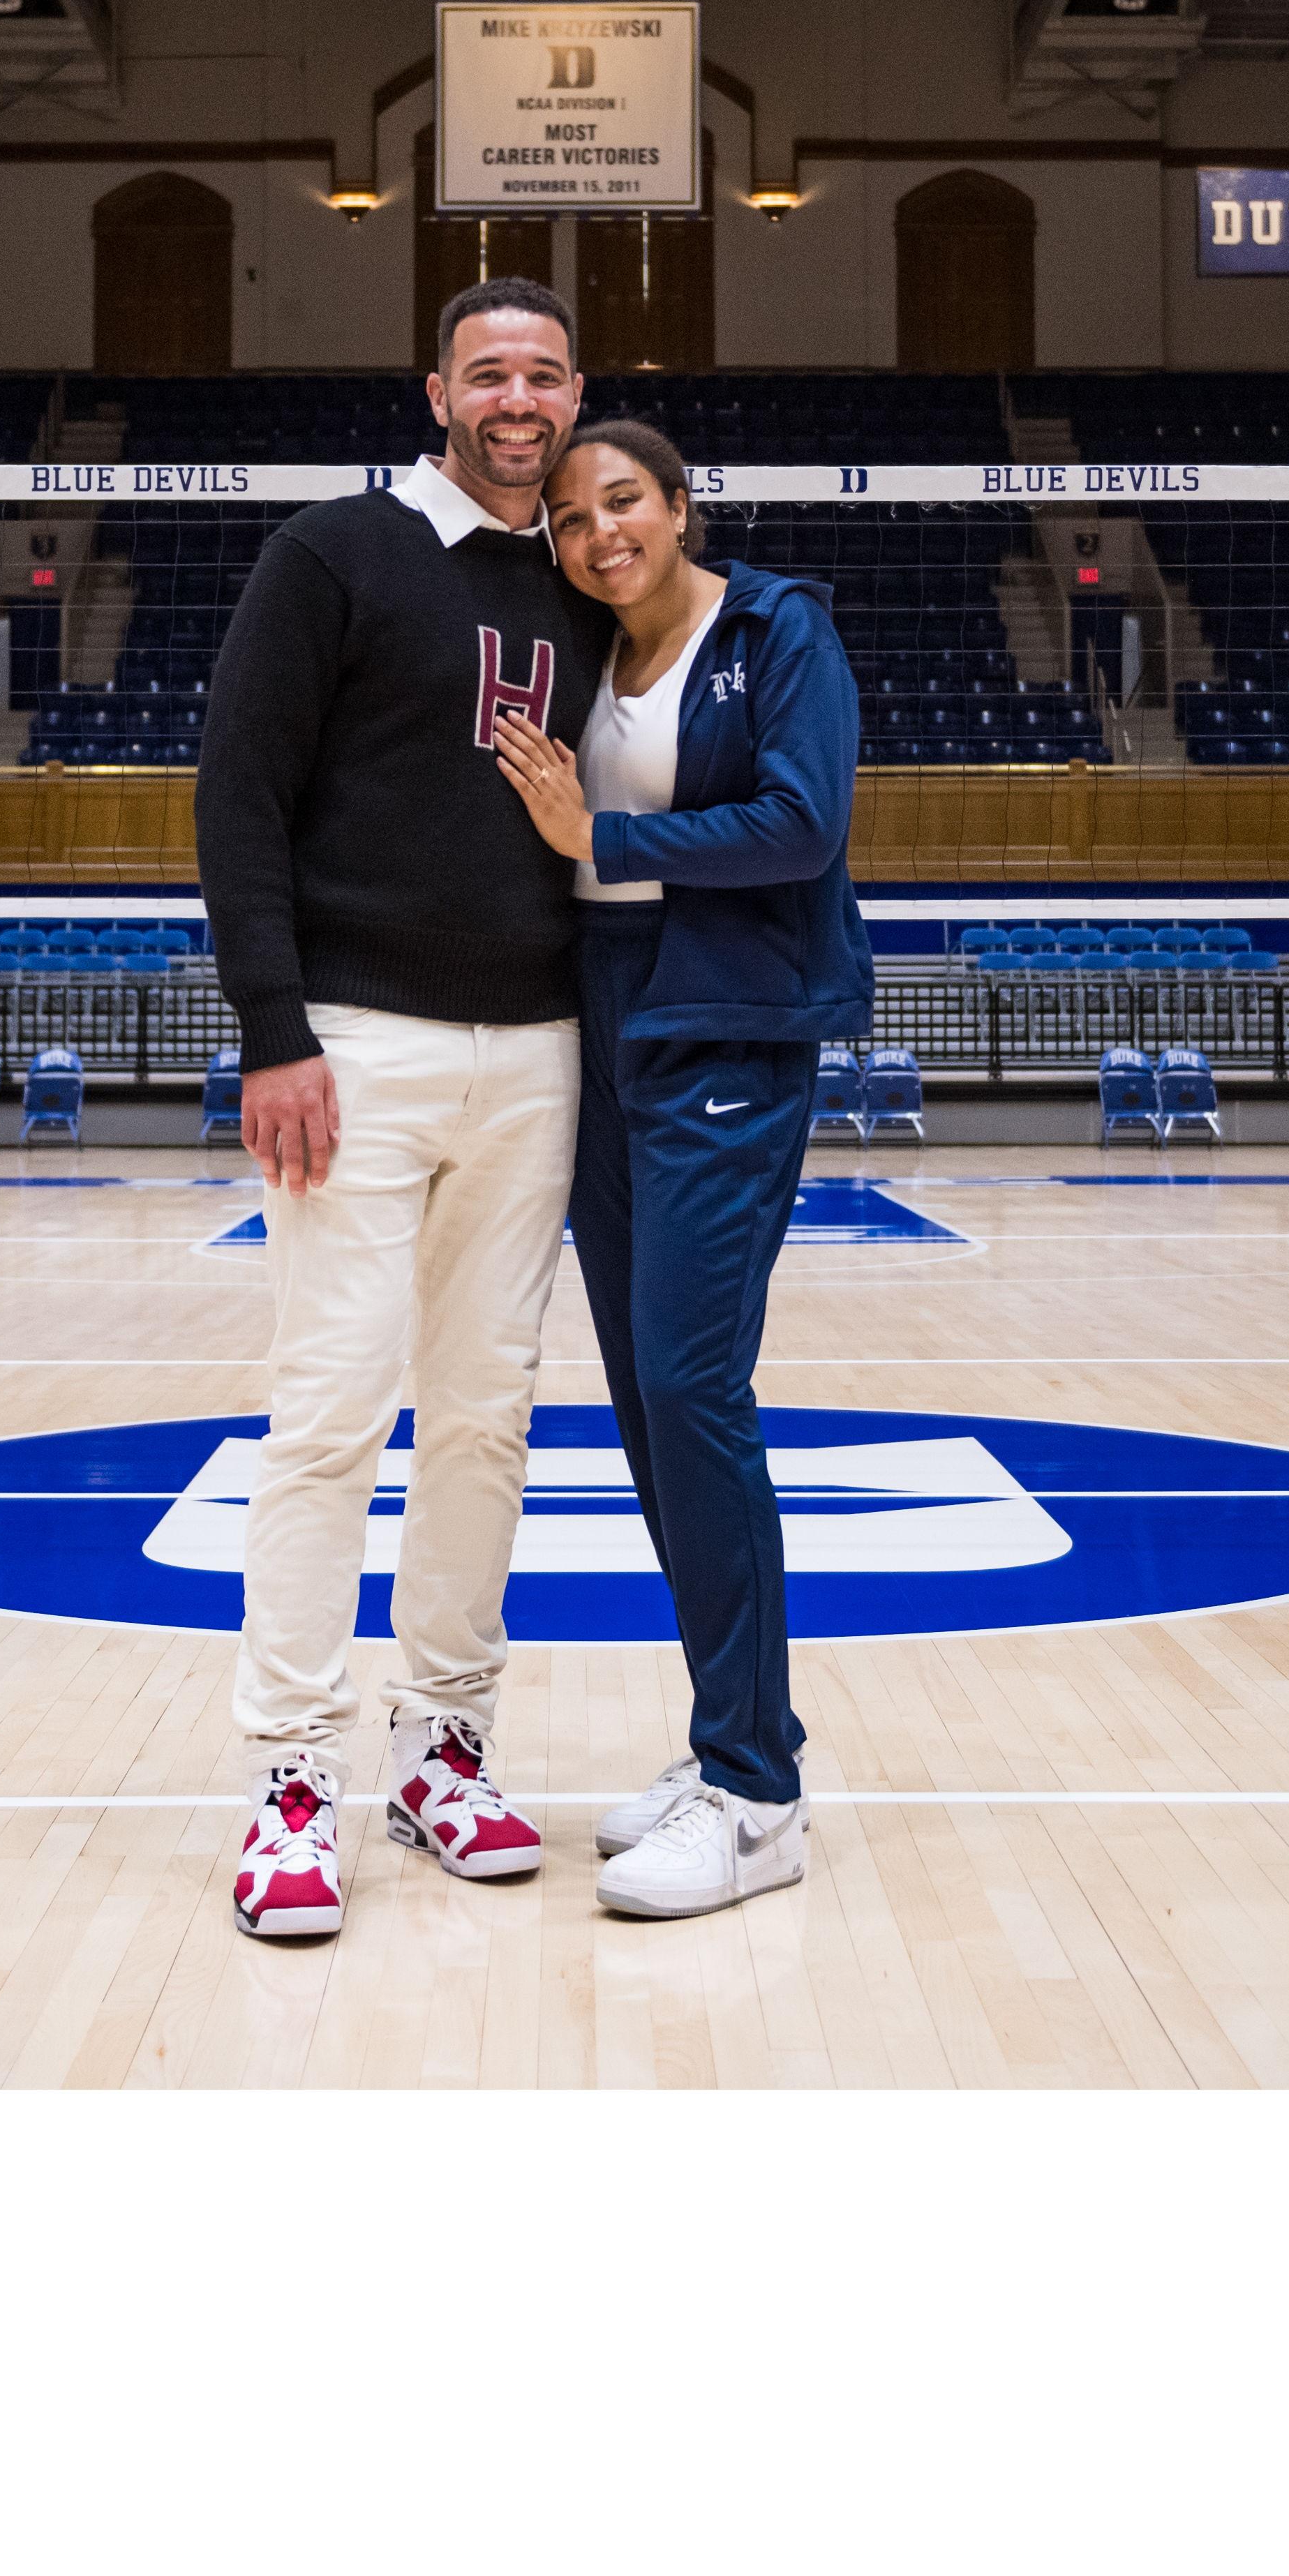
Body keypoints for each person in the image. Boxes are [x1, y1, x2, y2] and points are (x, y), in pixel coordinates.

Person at [191, 278, 611, 1940]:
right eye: (487, 369)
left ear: (576, 393)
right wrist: (271, 1026)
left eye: (543, 371)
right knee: (328, 1407)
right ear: (432, 386)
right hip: (354, 1043)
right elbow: (237, 787)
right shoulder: (334, 550)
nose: (516, 396)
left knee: (487, 1413)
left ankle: (442, 1743)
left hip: (539, 1047)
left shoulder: (591, 571)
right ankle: (288, 1777)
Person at [489, 421, 871, 1920]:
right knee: (650, 1407)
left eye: (623, 502)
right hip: (603, 1021)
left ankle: (759, 1797)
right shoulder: (572, 652)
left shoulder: (777, 628)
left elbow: (802, 822)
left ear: (681, 504)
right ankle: (735, 1740)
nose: (599, 535)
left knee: (695, 1386)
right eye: (574, 519)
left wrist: (607, 827)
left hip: (728, 1024)